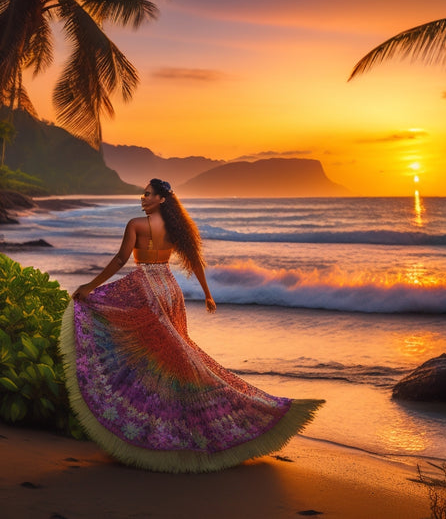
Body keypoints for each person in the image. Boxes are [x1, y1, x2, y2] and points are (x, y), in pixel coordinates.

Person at [60, 178, 324, 473]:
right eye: (143, 194)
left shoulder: (136, 224)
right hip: (170, 291)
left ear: (161, 199)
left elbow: (122, 258)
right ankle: (183, 426)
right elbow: (195, 262)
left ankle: (158, 431)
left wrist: (90, 286)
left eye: (148, 194)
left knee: (153, 359)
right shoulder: (177, 229)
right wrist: (208, 294)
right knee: (177, 357)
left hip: (146, 288)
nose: (142, 198)